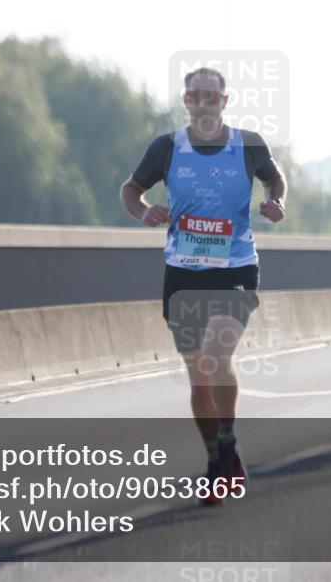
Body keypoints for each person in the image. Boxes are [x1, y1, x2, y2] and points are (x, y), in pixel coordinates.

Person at [119, 67, 286, 503]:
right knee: (198, 383)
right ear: (186, 101)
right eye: (196, 96)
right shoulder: (167, 147)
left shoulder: (248, 145)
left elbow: (275, 177)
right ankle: (217, 456)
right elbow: (130, 189)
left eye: (212, 96)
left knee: (216, 354)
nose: (204, 103)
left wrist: (275, 201)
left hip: (235, 268)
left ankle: (225, 445)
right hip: (183, 272)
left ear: (224, 102)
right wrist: (144, 211)